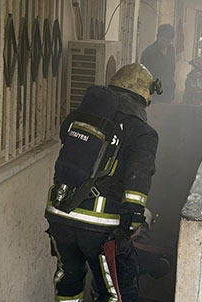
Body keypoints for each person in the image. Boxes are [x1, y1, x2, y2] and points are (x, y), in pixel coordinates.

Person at [45, 63, 161, 302]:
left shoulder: (82, 117)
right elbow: (138, 177)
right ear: (143, 97)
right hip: (100, 227)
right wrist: (129, 226)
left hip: (59, 215)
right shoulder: (142, 132)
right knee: (117, 291)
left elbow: (67, 138)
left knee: (69, 279)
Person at [141, 24, 176, 103]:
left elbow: (172, 69)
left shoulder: (171, 50)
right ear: (157, 37)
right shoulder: (148, 52)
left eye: (168, 42)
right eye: (163, 40)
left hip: (168, 91)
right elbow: (145, 75)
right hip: (154, 93)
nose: (165, 44)